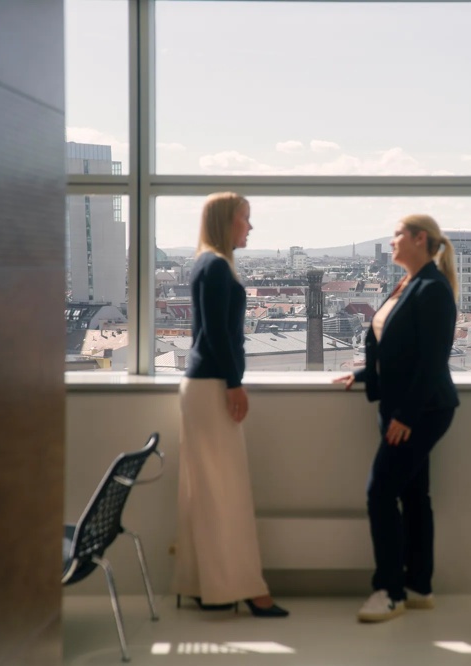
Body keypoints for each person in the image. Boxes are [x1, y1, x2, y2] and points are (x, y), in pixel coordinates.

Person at [334, 214, 460, 623]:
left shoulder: (432, 288)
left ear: (419, 239)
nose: (391, 241)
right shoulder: (410, 283)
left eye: (397, 235)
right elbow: (396, 350)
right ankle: (419, 587)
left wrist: (406, 415)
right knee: (414, 495)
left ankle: (389, 592)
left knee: (380, 494)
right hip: (405, 405)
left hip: (420, 410)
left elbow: (432, 360)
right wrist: (363, 375)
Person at [172, 192, 288, 618]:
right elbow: (219, 334)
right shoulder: (217, 266)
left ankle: (206, 585)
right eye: (245, 218)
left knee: (205, 492)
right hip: (213, 386)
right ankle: (247, 590)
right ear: (226, 222)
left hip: (203, 385)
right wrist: (235, 384)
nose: (250, 227)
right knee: (227, 493)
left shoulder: (206, 263)